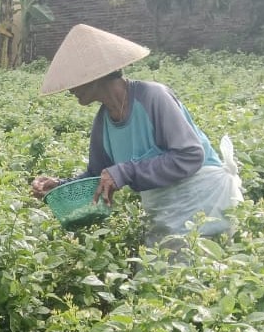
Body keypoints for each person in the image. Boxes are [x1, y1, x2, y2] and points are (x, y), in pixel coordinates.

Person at [30, 24, 242, 244]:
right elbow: (98, 176)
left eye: (73, 80)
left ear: (94, 76)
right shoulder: (103, 122)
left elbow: (190, 155)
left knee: (194, 269)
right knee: (160, 273)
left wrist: (126, 171)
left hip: (203, 199)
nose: (69, 89)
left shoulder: (153, 97)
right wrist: (60, 186)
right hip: (165, 208)